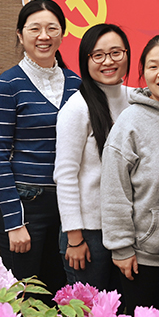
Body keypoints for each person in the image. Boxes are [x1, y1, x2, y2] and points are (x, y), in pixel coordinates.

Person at [0, 0, 81, 296]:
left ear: (63, 33)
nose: (44, 36)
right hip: (27, 204)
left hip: (68, 205)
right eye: (35, 29)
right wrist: (14, 222)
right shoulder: (7, 85)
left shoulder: (76, 83)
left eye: (52, 28)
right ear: (20, 34)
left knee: (63, 294)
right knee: (23, 296)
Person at [101, 34, 159, 317]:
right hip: (146, 258)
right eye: (153, 66)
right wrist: (121, 247)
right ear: (143, 73)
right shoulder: (130, 122)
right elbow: (114, 189)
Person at [54, 23, 132, 292]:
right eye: (98, 55)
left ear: (127, 54)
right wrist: (74, 237)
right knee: (88, 312)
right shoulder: (77, 107)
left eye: (116, 53)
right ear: (85, 60)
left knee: (123, 310)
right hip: (89, 233)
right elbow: (65, 175)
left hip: (126, 230)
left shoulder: (136, 99)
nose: (108, 61)